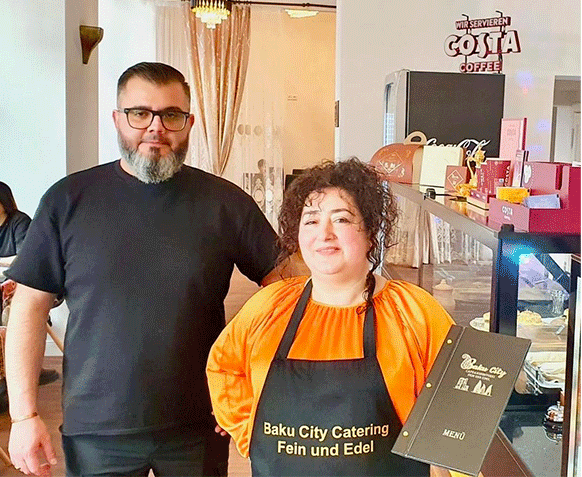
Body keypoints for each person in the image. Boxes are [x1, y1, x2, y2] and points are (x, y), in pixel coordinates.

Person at [4, 62, 281, 477]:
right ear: (118, 119)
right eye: (140, 113)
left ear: (189, 124)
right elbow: (28, 308)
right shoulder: (68, 200)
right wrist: (24, 416)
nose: (156, 128)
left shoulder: (225, 203)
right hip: (96, 427)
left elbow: (286, 293)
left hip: (199, 423)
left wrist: (250, 384)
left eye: (171, 115)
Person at [207, 158, 454, 476]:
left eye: (341, 219)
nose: (324, 234)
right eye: (311, 221)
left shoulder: (414, 312)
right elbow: (224, 367)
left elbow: (454, 406)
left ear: (371, 233)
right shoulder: (269, 307)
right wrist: (250, 434)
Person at [0, 182, 58, 410]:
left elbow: (26, 259)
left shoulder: (19, 222)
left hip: (22, 284)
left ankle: (14, 379)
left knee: (14, 314)